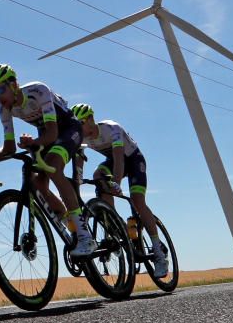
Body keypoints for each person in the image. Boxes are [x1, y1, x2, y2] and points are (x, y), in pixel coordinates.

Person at [0, 64, 97, 259]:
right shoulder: (3, 109)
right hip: (45, 135)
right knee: (37, 183)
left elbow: (53, 132)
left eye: (0, 89)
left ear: (13, 84)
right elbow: (9, 149)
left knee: (54, 167)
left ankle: (85, 235)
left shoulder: (38, 91)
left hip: (68, 129)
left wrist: (34, 142)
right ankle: (67, 222)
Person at [70, 104, 168, 278]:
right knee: (98, 176)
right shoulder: (83, 137)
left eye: (82, 123)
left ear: (91, 119)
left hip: (133, 161)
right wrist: (77, 182)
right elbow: (79, 160)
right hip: (114, 164)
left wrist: (116, 183)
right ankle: (116, 223)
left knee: (138, 201)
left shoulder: (111, 128)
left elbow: (118, 158)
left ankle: (158, 252)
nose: (80, 129)